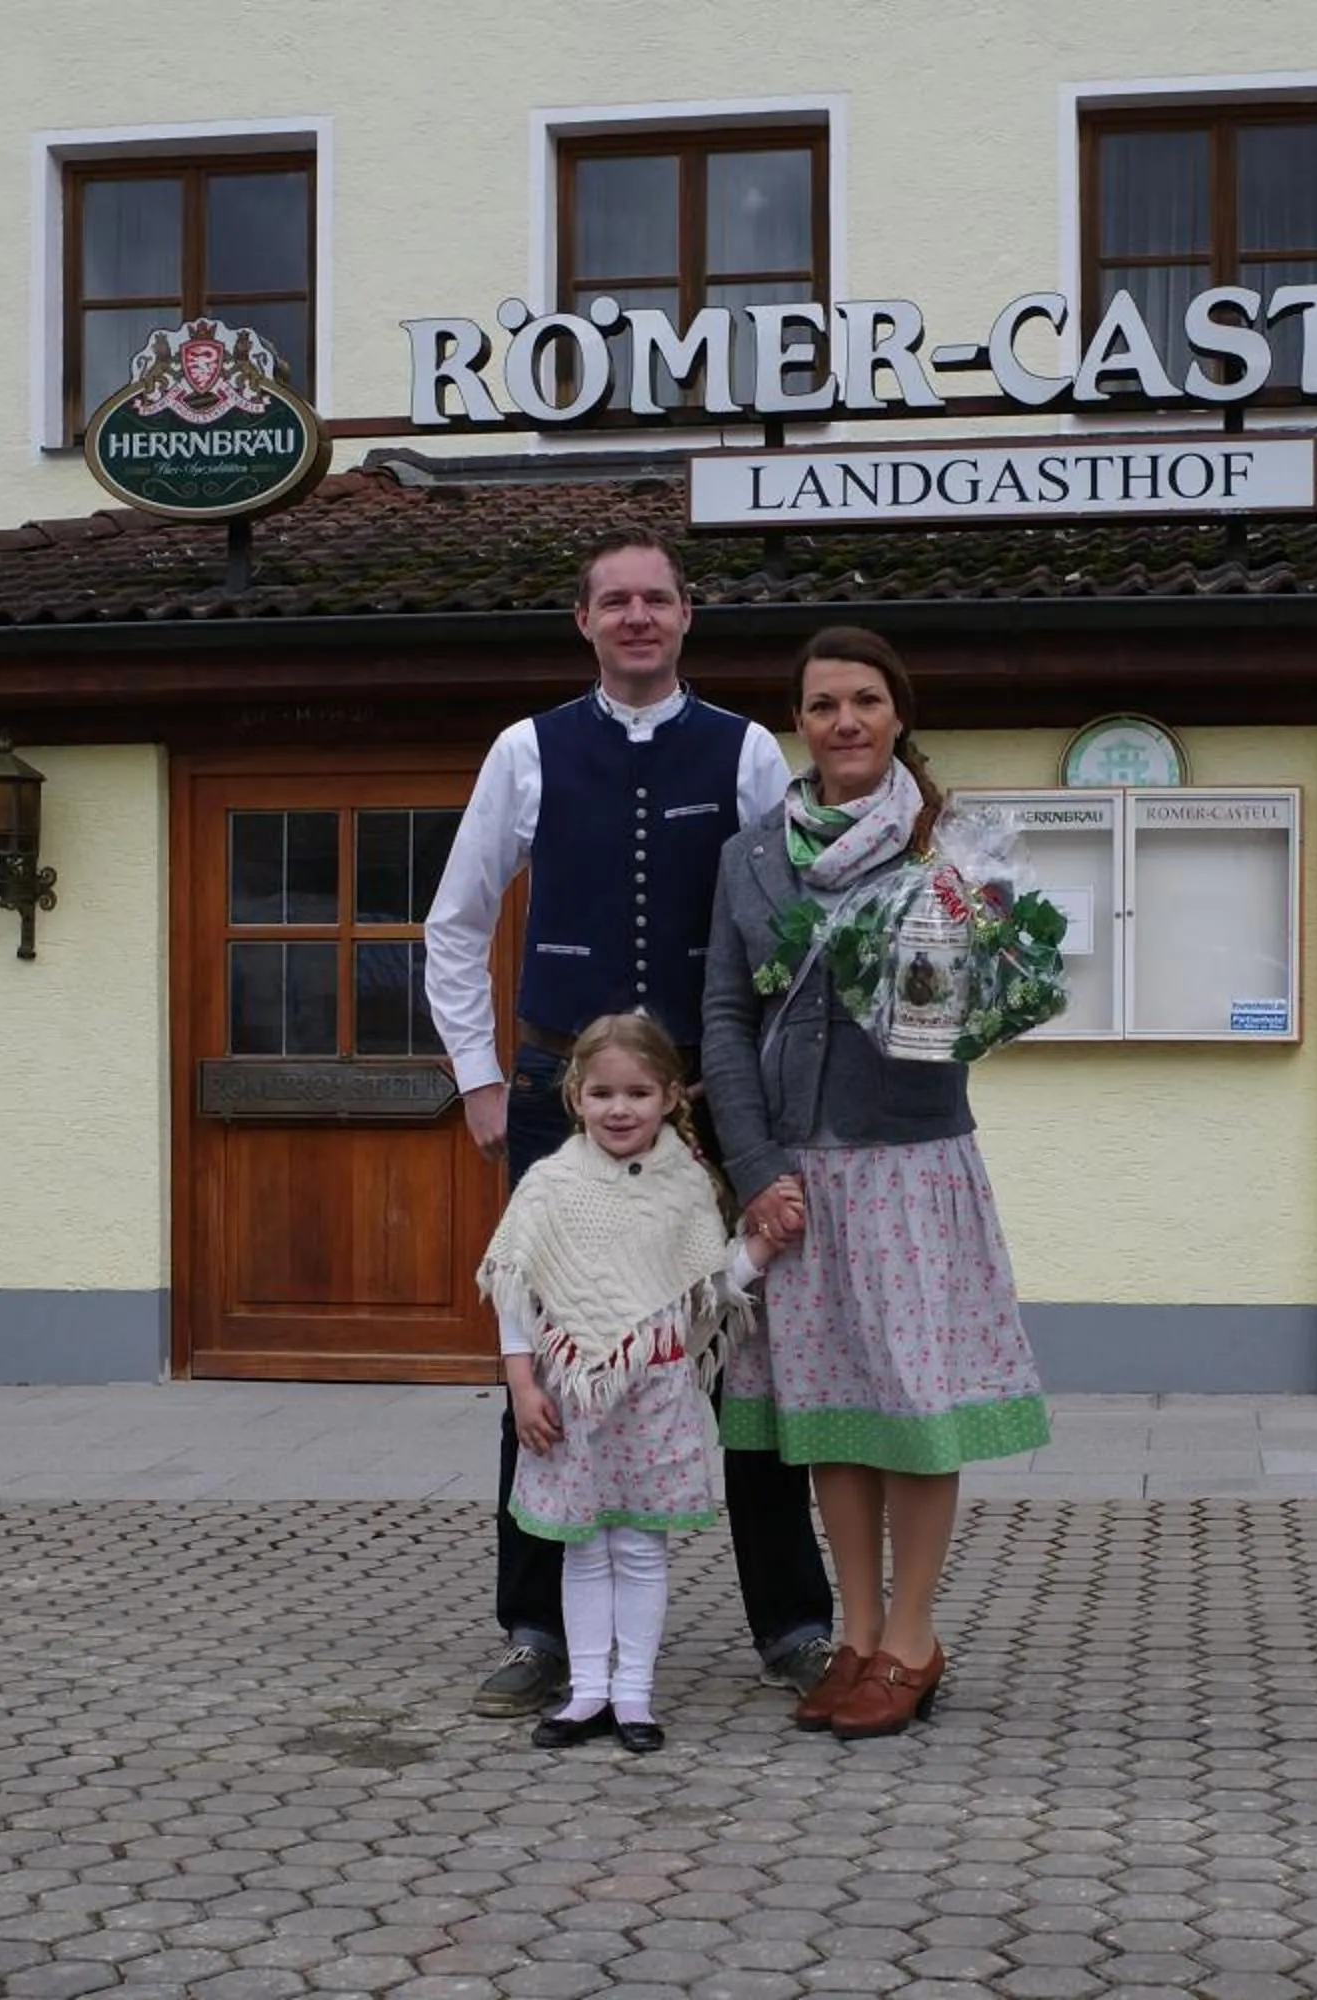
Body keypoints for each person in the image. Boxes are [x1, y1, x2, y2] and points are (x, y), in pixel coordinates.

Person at [424, 525, 835, 1717]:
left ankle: (794, 1620)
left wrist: (770, 1098)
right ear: (585, 620)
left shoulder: (749, 750)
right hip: (561, 1090)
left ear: (687, 615)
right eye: (616, 600)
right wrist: (478, 1078)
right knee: (549, 1353)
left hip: (709, 1102)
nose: (638, 616)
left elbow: (790, 931)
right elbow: (454, 924)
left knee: (739, 1350)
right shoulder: (527, 748)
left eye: (657, 598)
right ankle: (538, 1628)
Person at [702, 625, 1053, 1740]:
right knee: (829, 1415)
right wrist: (753, 1164)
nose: (843, 721)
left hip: (905, 1162)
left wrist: (989, 946)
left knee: (910, 1409)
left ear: (899, 714)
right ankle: (852, 1635)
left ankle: (912, 1635)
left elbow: (996, 1003)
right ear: (796, 723)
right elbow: (723, 1017)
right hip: (797, 1174)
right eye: (820, 704)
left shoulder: (954, 847)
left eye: (863, 700)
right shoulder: (753, 854)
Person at [484, 1014, 786, 1755]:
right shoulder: (551, 1183)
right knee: (584, 1548)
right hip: (572, 1399)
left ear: (671, 1095)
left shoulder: (687, 1186)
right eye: (603, 1093)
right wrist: (523, 1386)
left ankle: (634, 1696)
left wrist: (761, 1249)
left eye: (639, 1093)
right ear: (575, 1096)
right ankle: (587, 1691)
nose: (620, 1109)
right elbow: (517, 1291)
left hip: (655, 1396)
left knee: (642, 1550)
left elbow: (708, 1291)